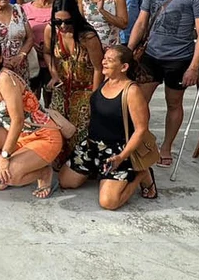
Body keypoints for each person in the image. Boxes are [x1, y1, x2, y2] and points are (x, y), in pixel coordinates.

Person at [127, 0, 199, 167]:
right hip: (151, 56)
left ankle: (166, 146)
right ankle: (140, 140)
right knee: (138, 101)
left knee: (174, 104)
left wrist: (194, 66)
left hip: (179, 58)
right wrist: (128, 50)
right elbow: (141, 22)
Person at [59, 45, 158, 209]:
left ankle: (141, 174)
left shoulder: (132, 91)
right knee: (65, 181)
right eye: (105, 58)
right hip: (92, 145)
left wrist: (121, 157)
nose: (104, 62)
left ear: (124, 67)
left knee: (108, 202)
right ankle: (100, 172)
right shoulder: (105, 80)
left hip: (118, 151)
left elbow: (141, 129)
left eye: (110, 60)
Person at [0, 37, 62, 198]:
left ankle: (43, 172)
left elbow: (18, 119)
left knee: (11, 176)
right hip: (21, 136)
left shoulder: (5, 78)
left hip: (42, 136)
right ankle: (14, 167)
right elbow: (1, 110)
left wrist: (4, 157)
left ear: (0, 58)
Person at [45, 0, 103, 167]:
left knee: (80, 132)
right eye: (58, 22)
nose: (62, 26)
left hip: (85, 90)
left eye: (67, 21)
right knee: (57, 128)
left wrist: (95, 97)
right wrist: (54, 74)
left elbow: (98, 68)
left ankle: (76, 169)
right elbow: (47, 53)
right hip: (61, 88)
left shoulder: (88, 37)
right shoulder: (51, 30)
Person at [22, 0, 55, 99]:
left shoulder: (59, 6)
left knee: (51, 99)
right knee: (31, 100)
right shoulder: (24, 8)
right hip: (31, 60)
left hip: (53, 61)